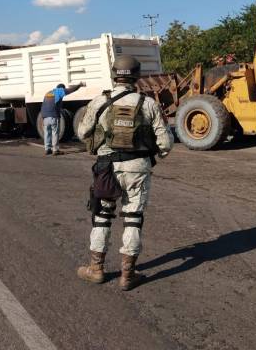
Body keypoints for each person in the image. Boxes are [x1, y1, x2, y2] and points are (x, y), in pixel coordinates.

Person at [76, 55, 173, 291]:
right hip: (138, 168)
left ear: (114, 75)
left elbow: (82, 132)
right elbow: (166, 143)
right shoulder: (148, 103)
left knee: (102, 216)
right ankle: (128, 275)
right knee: (133, 218)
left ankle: (96, 269)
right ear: (137, 76)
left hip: (107, 167)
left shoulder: (100, 101)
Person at [40, 82, 85, 155]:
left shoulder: (48, 93)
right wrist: (79, 85)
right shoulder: (59, 91)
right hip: (53, 116)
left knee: (47, 133)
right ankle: (55, 150)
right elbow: (70, 90)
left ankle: (47, 149)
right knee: (55, 133)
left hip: (45, 116)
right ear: (62, 88)